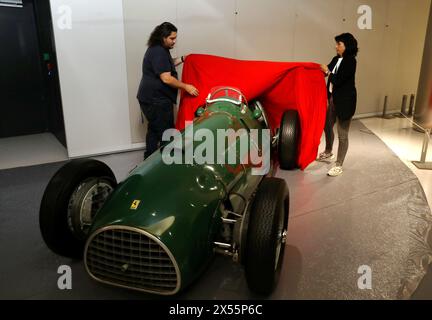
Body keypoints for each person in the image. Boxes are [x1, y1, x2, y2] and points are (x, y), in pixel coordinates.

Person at [137, 22, 199, 159]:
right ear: (163, 37)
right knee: (167, 133)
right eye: (172, 38)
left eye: (175, 38)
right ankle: (166, 162)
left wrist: (182, 59)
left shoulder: (157, 49)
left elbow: (167, 63)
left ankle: (148, 159)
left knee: (154, 130)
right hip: (156, 100)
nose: (174, 41)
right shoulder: (158, 51)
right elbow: (166, 78)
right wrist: (186, 86)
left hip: (149, 98)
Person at [318, 33, 358, 177]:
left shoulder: (351, 62)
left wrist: (327, 71)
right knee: (327, 125)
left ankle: (339, 164)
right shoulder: (336, 59)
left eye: (339, 44)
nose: (336, 46)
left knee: (343, 134)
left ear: (347, 46)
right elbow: (326, 71)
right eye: (337, 44)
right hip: (333, 100)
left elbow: (338, 79)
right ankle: (328, 151)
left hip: (345, 102)